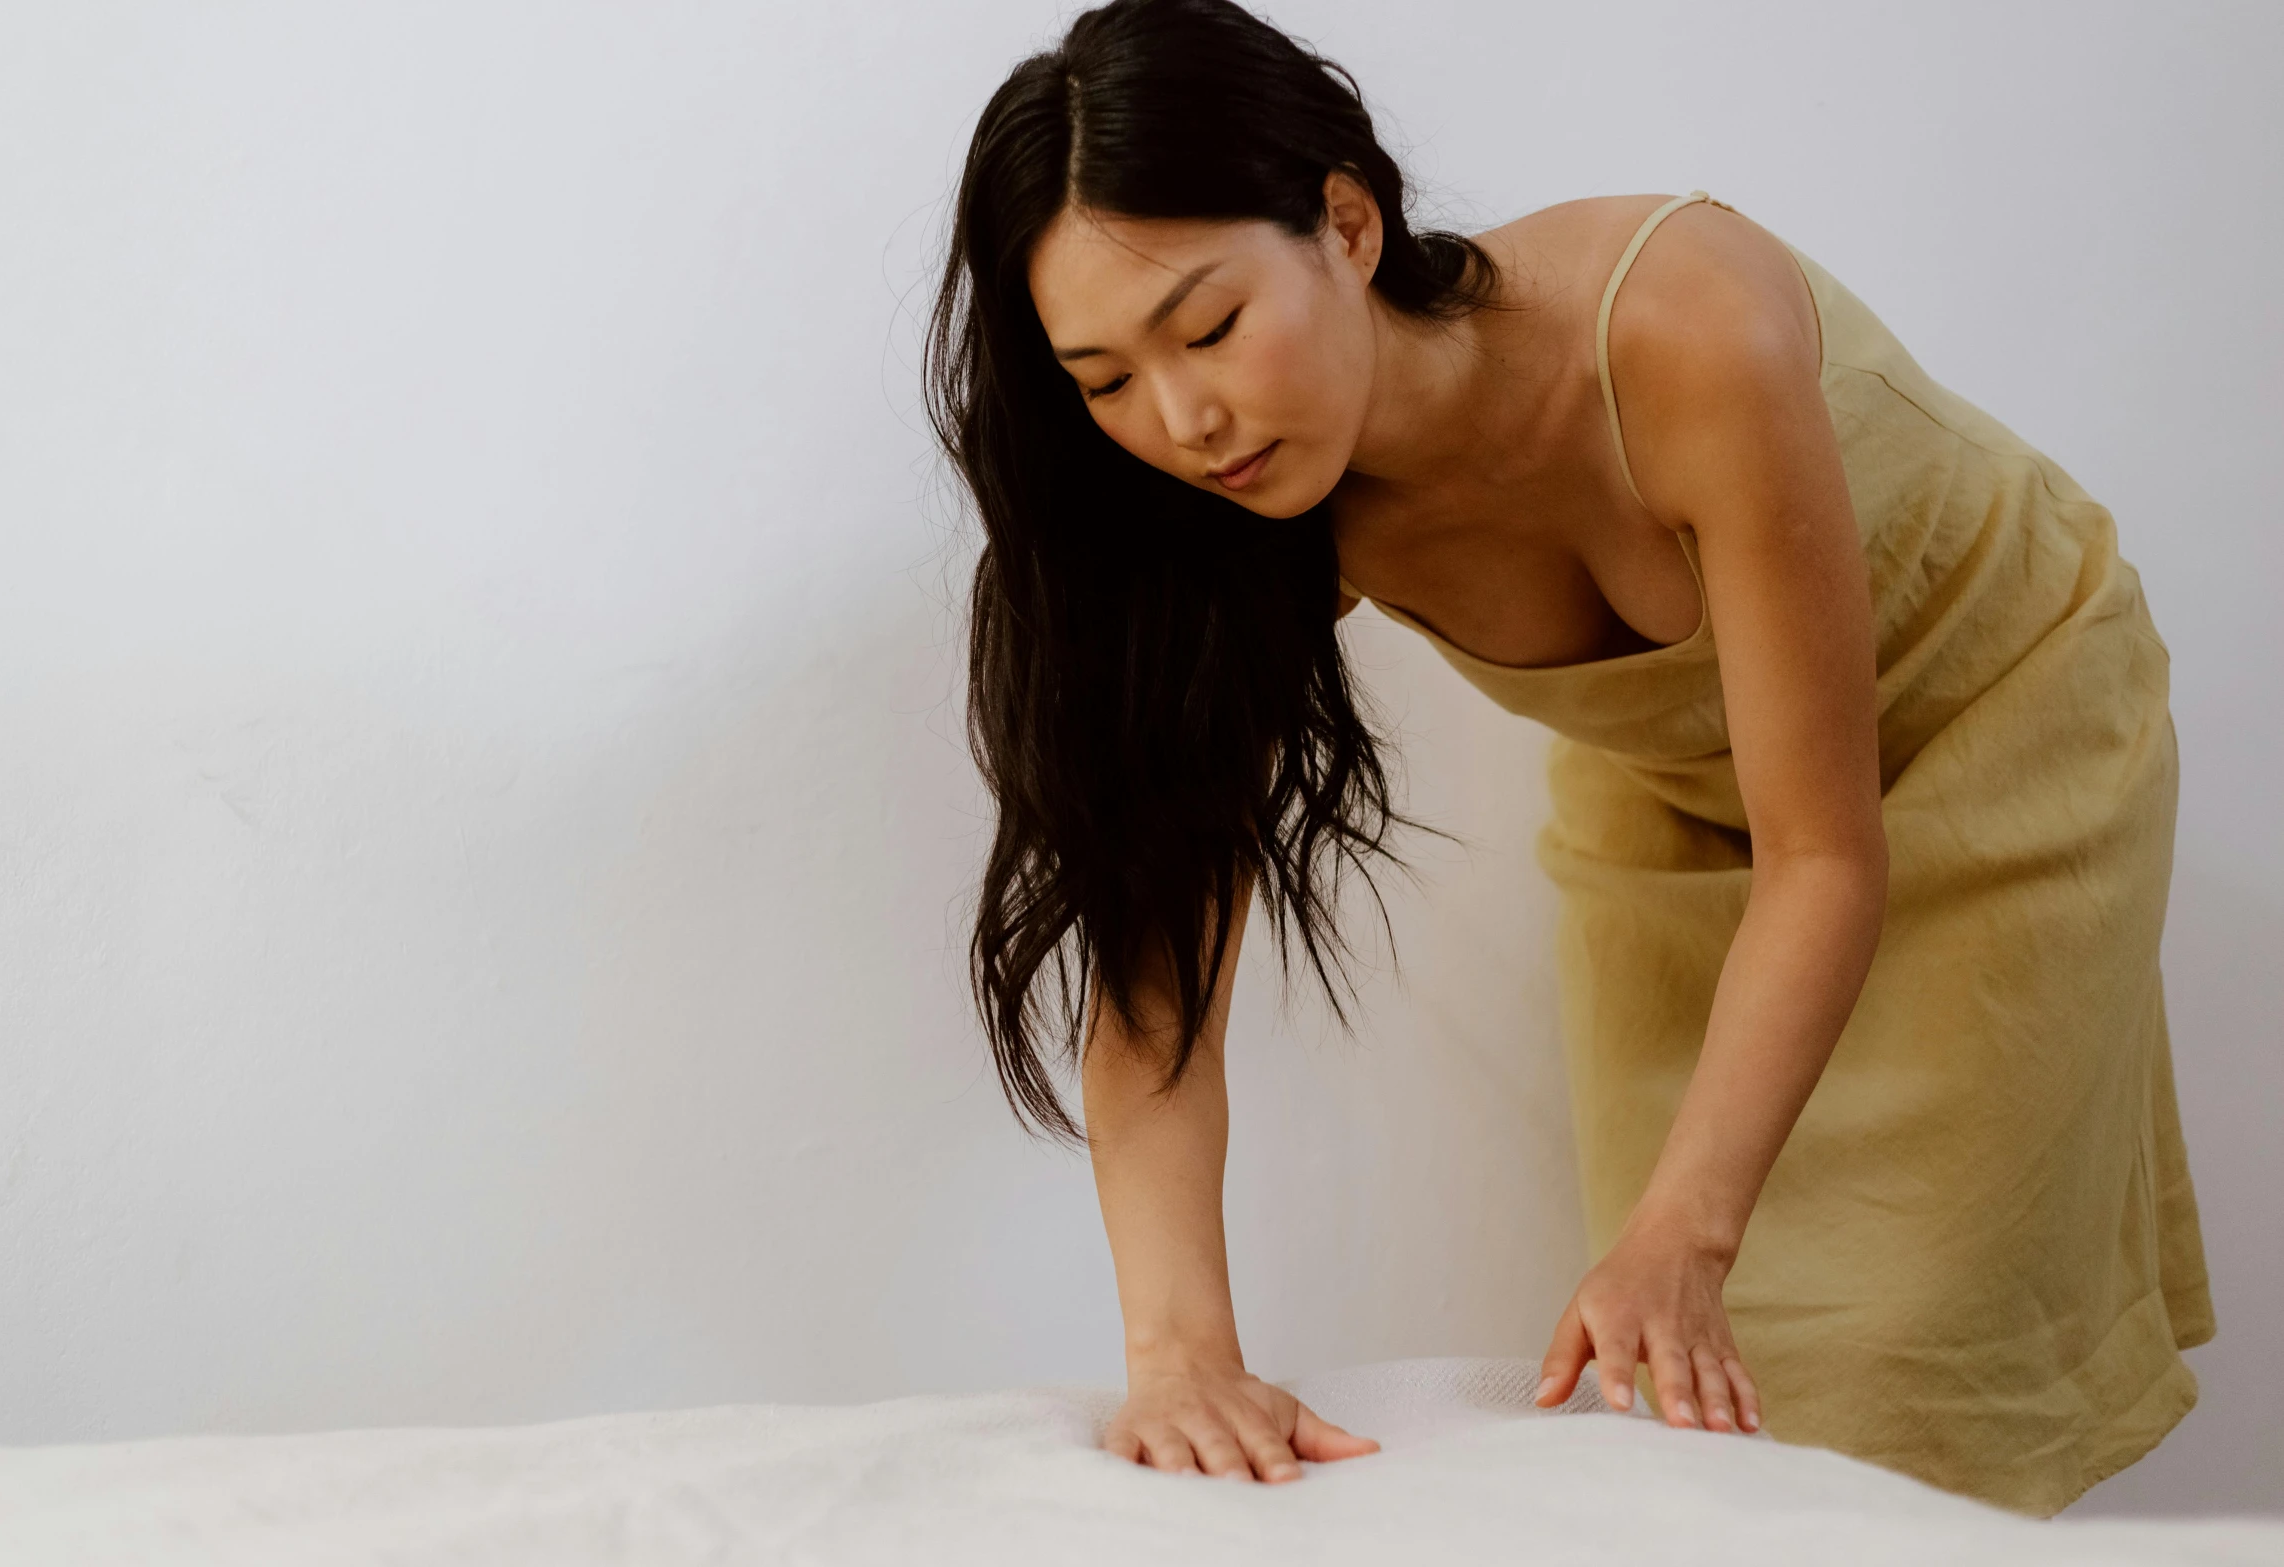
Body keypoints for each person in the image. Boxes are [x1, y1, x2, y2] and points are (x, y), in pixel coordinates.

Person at [922, 0, 2212, 1518]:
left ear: (1344, 220)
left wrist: (1689, 1225)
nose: (1184, 416)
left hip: (1991, 720)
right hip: (1671, 802)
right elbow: (1157, 994)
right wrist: (1179, 1352)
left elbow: (1823, 851)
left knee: (1898, 1362)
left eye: (1206, 326)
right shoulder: (1251, 521)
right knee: (1686, 1392)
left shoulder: (1680, 329)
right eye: (1104, 379)